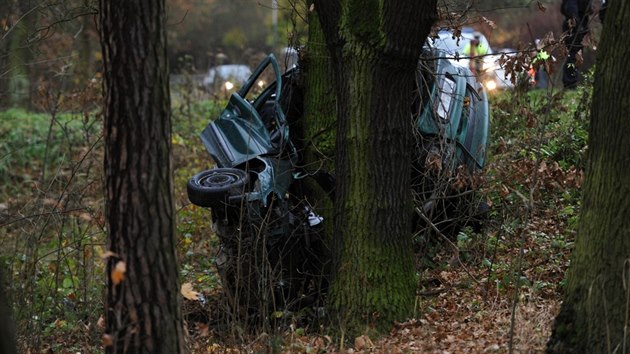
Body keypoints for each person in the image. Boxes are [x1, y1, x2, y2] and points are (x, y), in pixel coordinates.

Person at [560, 0, 593, 89]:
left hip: (579, 26)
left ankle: (571, 81)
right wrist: (577, 24)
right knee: (573, 55)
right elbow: (570, 9)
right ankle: (570, 83)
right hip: (574, 28)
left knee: (575, 55)